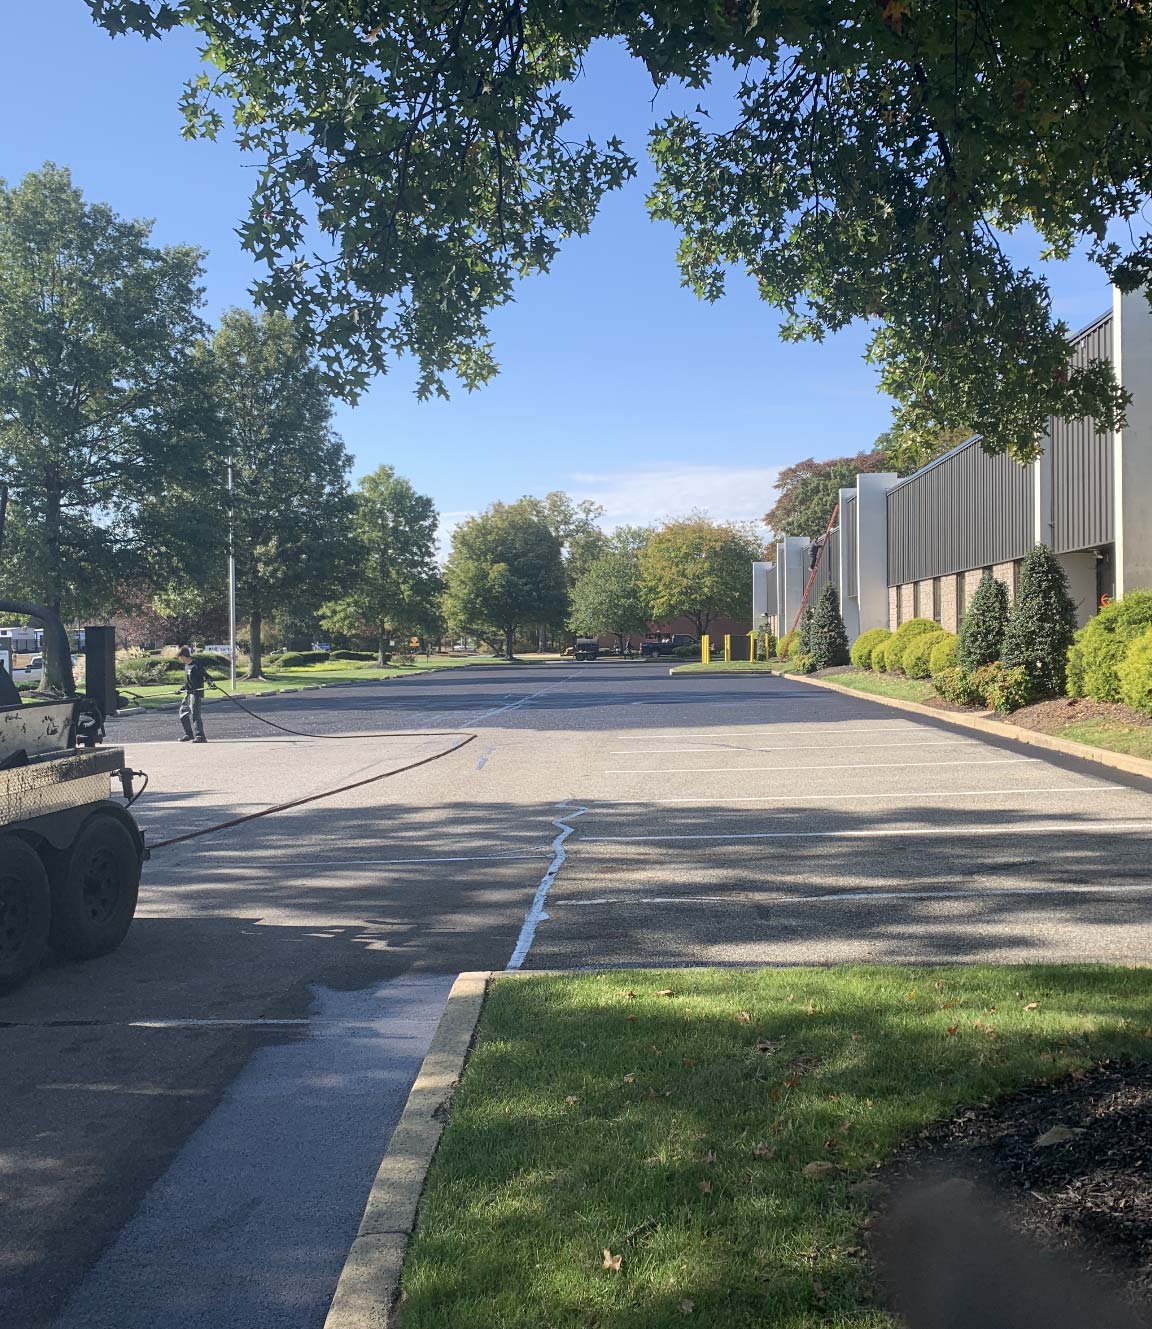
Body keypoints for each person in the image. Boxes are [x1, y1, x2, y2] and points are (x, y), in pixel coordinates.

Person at [176, 646, 207, 743]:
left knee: (195, 714)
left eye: (180, 657)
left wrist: (211, 683)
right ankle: (189, 734)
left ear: (183, 656)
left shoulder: (196, 665)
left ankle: (200, 736)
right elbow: (187, 683)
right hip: (189, 693)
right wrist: (181, 689)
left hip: (196, 693)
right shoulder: (186, 666)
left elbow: (206, 676)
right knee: (183, 712)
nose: (180, 660)